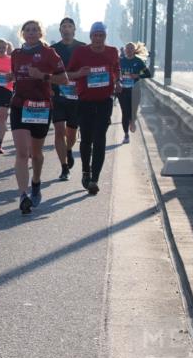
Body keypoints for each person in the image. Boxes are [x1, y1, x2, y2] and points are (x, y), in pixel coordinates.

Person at [9, 20, 68, 214]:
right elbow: (14, 76)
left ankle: (36, 182)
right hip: (19, 105)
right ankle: (23, 195)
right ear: (22, 33)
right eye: (27, 30)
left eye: (35, 30)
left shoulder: (48, 53)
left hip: (41, 107)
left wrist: (43, 76)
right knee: (22, 153)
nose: (31, 33)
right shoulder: (16, 54)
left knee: (36, 154)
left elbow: (64, 79)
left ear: (40, 33)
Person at [67, 22, 121, 196]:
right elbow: (68, 74)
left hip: (104, 102)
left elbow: (116, 70)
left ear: (105, 37)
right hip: (85, 102)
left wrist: (117, 82)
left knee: (100, 140)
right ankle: (85, 171)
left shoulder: (112, 52)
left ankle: (94, 179)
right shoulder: (81, 52)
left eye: (101, 35)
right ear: (90, 37)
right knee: (86, 140)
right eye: (95, 35)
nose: (98, 39)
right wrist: (80, 74)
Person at [49, 17, 85, 180]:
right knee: (59, 131)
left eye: (70, 26)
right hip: (57, 96)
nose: (66, 29)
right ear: (60, 30)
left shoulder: (83, 48)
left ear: (74, 30)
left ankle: (68, 149)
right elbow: (47, 72)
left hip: (76, 98)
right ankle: (64, 168)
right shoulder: (52, 50)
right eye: (63, 26)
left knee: (71, 134)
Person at [118, 41, 151, 142]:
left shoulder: (139, 61)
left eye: (131, 48)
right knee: (125, 112)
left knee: (133, 111)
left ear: (134, 50)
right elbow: (114, 72)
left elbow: (148, 74)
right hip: (123, 90)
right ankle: (126, 134)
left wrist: (138, 76)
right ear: (125, 50)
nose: (129, 50)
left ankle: (132, 120)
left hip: (135, 89)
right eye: (127, 48)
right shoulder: (120, 61)